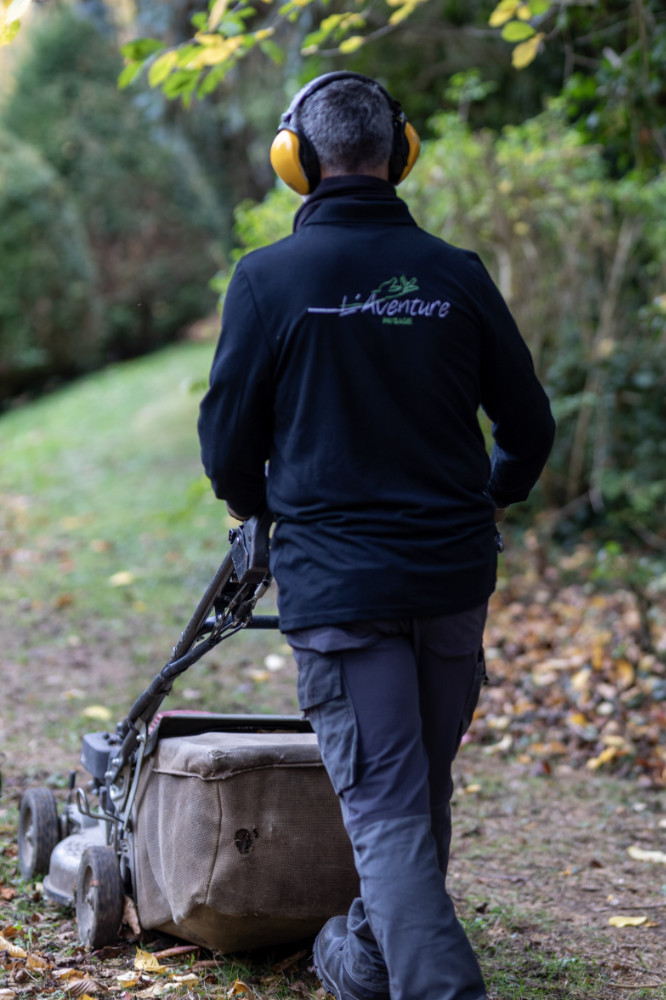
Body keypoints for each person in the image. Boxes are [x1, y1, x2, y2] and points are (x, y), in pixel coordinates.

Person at [198, 72, 555, 1000]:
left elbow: (227, 447)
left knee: (393, 804)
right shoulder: (456, 275)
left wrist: (255, 506)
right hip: (451, 576)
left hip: (342, 586)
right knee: (416, 791)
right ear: (400, 153)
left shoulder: (268, 280)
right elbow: (529, 427)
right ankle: (363, 961)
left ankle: (436, 987)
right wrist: (491, 498)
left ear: (296, 160)